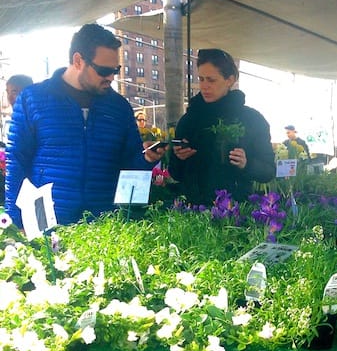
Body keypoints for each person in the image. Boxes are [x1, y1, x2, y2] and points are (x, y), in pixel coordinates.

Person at [4, 23, 166, 227]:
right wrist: (14, 221)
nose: (111, 77)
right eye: (104, 70)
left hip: (102, 226)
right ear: (78, 61)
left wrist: (146, 158)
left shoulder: (119, 107)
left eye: (116, 70)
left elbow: (130, 166)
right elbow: (16, 160)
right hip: (44, 224)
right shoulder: (33, 99)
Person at [169, 48, 275, 206]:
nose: (204, 86)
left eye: (211, 80)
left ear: (229, 80)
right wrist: (179, 158)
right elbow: (175, 173)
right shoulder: (189, 120)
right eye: (201, 79)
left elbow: (268, 171)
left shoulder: (252, 119)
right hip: (194, 211)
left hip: (236, 212)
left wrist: (247, 164)